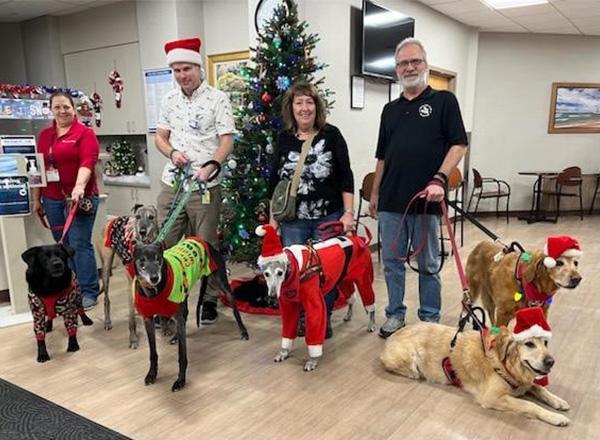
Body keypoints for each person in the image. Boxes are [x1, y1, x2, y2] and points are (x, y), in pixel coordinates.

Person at [369, 38, 468, 339]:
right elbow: (382, 155)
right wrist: (375, 192)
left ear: (425, 65)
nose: (409, 67)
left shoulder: (444, 102)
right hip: (391, 201)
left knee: (427, 264)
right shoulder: (389, 110)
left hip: (427, 200)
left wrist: (439, 178)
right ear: (396, 70)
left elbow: (459, 144)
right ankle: (395, 315)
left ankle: (429, 319)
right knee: (391, 264)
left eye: (415, 61)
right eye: (403, 63)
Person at [155, 37, 236, 325]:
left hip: (204, 185)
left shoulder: (218, 99)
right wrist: (172, 152)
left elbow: (227, 141)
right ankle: (165, 298)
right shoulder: (168, 100)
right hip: (173, 184)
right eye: (176, 70)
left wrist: (212, 165)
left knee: (205, 244)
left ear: (198, 68)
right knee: (164, 243)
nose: (181, 75)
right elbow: (160, 138)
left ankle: (210, 300)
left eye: (186, 68)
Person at [269, 81, 355, 339]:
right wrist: (274, 220)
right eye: (299, 102)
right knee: (296, 273)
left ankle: (323, 319)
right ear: (291, 108)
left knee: (325, 274)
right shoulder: (283, 138)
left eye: (309, 102)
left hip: (327, 217)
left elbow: (345, 176)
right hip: (293, 221)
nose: (305, 108)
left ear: (317, 107)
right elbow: (274, 182)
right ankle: (304, 318)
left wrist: (348, 213)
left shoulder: (332, 135)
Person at [33, 91, 100, 310]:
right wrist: (37, 200)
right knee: (63, 245)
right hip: (51, 199)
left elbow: (87, 162)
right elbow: (38, 170)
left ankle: (89, 290)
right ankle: (72, 287)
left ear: (74, 108)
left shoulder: (84, 133)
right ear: (51, 110)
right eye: (57, 107)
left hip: (79, 199)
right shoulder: (44, 136)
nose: (62, 111)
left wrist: (79, 187)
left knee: (79, 244)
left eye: (66, 107)